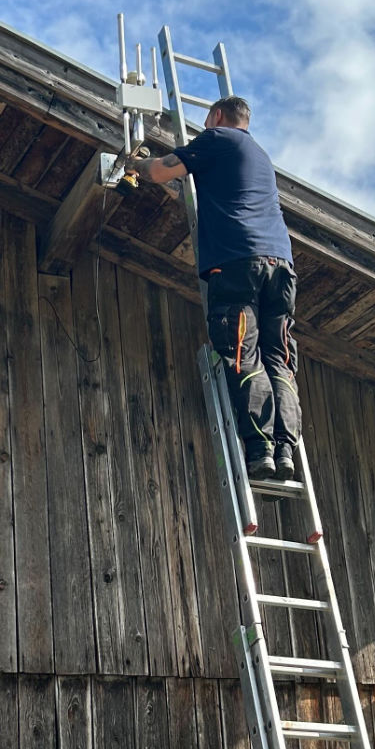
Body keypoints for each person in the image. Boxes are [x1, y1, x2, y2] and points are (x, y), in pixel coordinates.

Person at [131, 96, 299, 481]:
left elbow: (159, 171)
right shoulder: (258, 154)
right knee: (280, 360)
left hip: (238, 260)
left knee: (243, 354)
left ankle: (260, 449)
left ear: (218, 117)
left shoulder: (216, 139)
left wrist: (133, 163)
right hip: (281, 266)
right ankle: (285, 448)